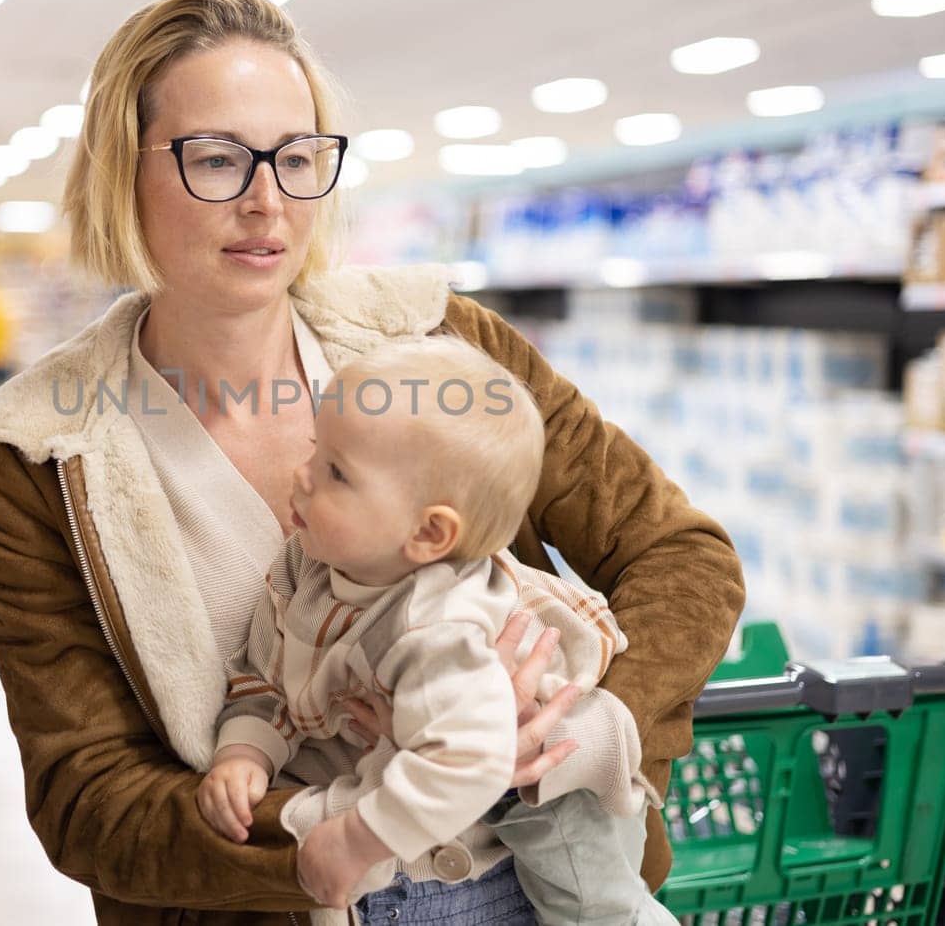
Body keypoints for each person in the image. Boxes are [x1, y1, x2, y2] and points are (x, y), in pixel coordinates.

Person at [0, 0, 745, 926]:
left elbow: (683, 555)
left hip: (546, 891)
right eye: (215, 159)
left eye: (297, 157)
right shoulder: (41, 457)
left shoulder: (448, 347)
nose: (266, 202)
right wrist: (341, 832)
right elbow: (91, 802)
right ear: (124, 170)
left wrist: (584, 719)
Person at [198, 337, 676, 925]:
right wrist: (247, 750)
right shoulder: (309, 565)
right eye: (317, 449)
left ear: (428, 534)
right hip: (451, 801)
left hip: (556, 797)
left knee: (592, 907)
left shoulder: (437, 625)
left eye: (336, 473)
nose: (301, 475)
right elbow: (266, 672)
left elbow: (473, 760)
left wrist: (355, 840)